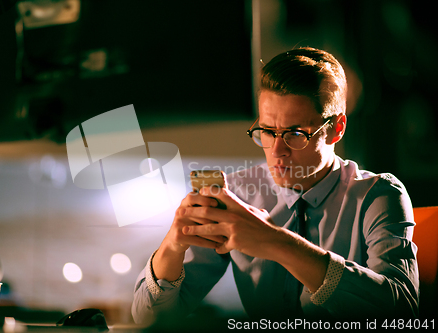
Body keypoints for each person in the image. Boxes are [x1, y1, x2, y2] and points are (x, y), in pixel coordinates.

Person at [131, 47, 419, 322]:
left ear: (336, 129)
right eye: (267, 132)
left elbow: (403, 311)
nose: (277, 150)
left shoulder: (378, 195)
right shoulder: (235, 196)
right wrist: (172, 245)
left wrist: (274, 242)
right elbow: (147, 318)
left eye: (295, 133)